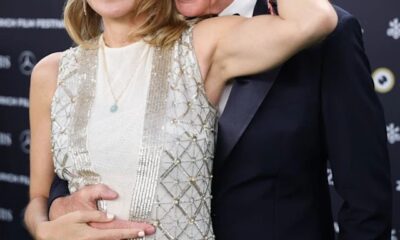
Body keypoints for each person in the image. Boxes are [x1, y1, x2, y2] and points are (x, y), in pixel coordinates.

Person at [44, 0, 393, 240]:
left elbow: (366, 201)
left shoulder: (322, 35)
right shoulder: (131, 42)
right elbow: (90, 150)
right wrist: (61, 204)